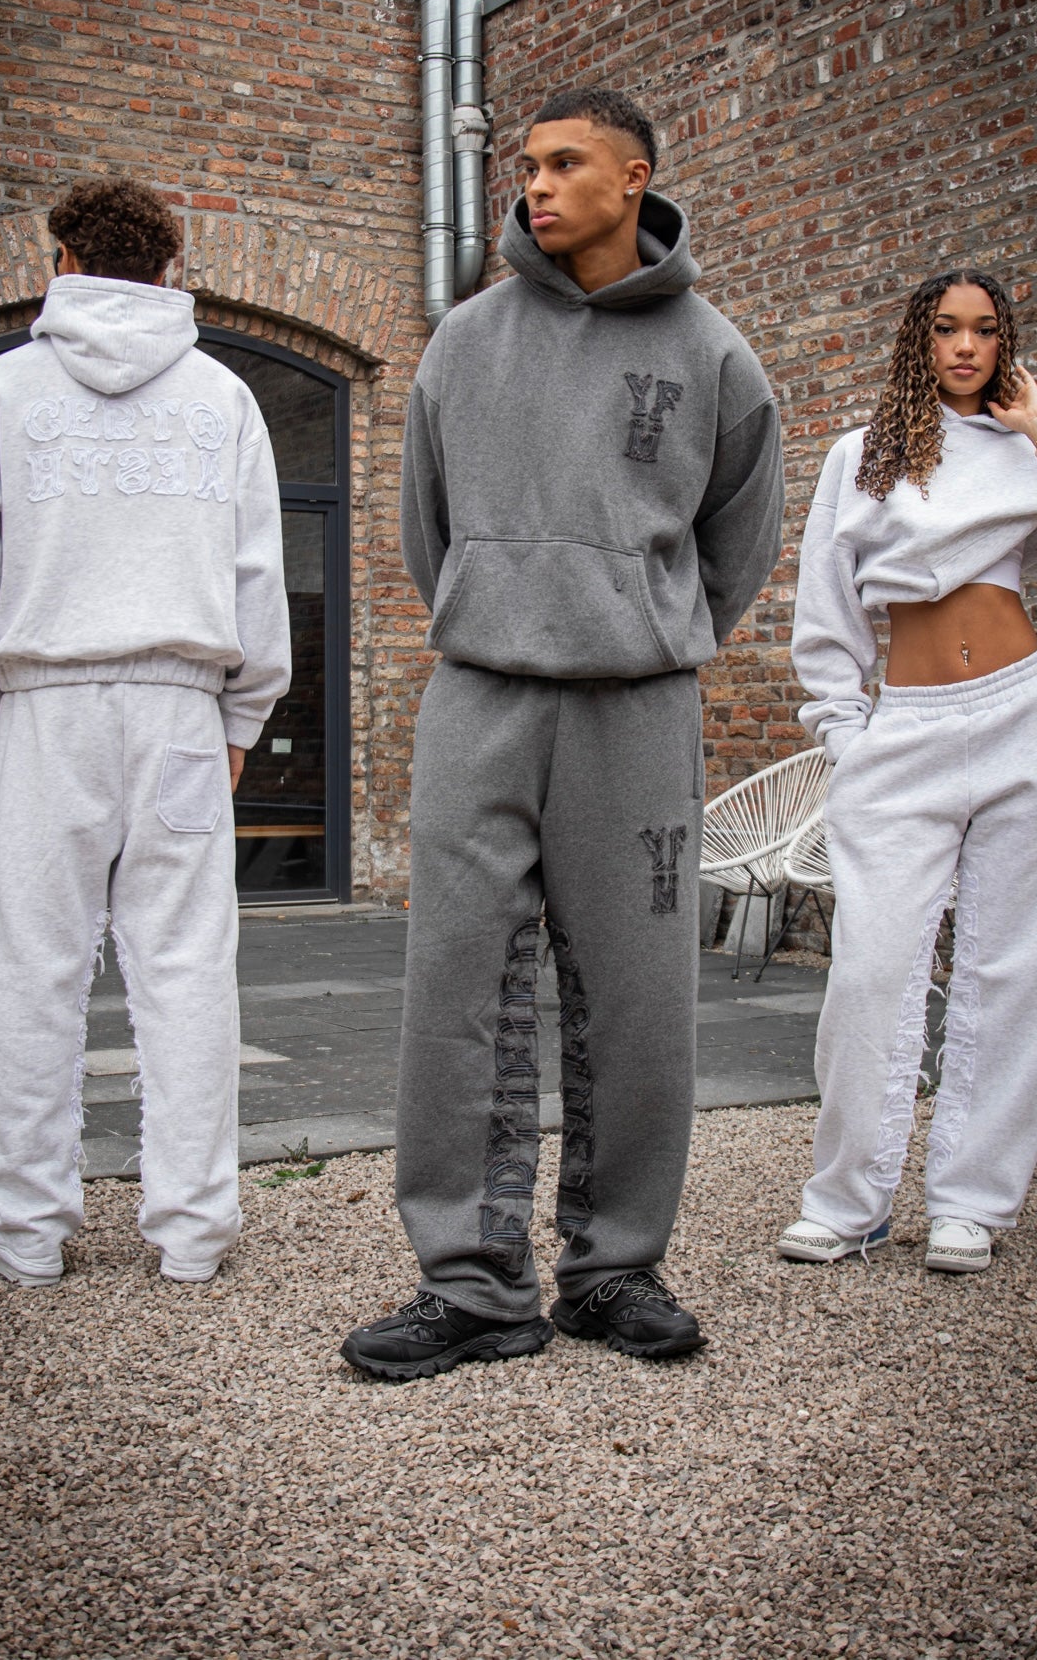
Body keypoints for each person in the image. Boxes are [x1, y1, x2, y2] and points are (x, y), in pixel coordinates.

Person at [341, 86, 784, 1379]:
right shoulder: (465, 340)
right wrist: (506, 607)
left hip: (636, 711)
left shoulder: (714, 355)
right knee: (456, 989)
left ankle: (614, 1268)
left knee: (641, 997)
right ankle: (472, 1285)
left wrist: (635, 624)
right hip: (479, 696)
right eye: (525, 165)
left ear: (633, 177)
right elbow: (428, 530)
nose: (533, 185)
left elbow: (737, 547)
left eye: (563, 162)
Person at [0, 179, 289, 1287]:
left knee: (34, 970)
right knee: (188, 967)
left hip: (46, 708)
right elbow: (258, 573)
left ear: (66, 261)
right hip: (181, 709)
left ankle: (26, 1232)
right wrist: (242, 713)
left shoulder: (0, 392)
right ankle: (194, 1231)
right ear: (170, 270)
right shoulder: (224, 396)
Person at [779, 269, 1037, 1274]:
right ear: (920, 341)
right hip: (908, 731)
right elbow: (826, 614)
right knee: (870, 969)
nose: (967, 347)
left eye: (986, 330)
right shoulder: (862, 458)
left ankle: (971, 1203)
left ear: (1005, 345)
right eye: (947, 329)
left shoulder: (1028, 457)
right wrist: (849, 737)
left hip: (1032, 719)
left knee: (1017, 971)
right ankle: (847, 1202)